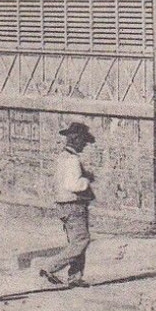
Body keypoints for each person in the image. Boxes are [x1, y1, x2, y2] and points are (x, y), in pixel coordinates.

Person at [39, 122, 95, 287]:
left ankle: (75, 277)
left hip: (63, 205)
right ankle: (49, 267)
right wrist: (87, 179)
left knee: (75, 241)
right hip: (73, 205)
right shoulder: (72, 160)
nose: (84, 145)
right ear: (76, 140)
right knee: (81, 240)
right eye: (83, 141)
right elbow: (73, 185)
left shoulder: (62, 157)